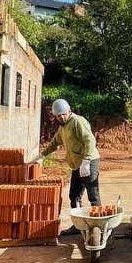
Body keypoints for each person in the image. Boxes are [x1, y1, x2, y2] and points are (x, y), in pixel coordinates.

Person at [30, 98, 101, 234]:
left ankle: (97, 227)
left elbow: (89, 140)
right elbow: (54, 143)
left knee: (93, 195)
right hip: (77, 165)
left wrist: (86, 160)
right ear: (55, 116)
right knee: (74, 195)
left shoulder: (77, 122)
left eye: (63, 114)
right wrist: (41, 157)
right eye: (58, 115)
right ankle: (78, 225)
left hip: (89, 162)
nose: (61, 117)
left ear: (69, 110)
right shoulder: (63, 128)